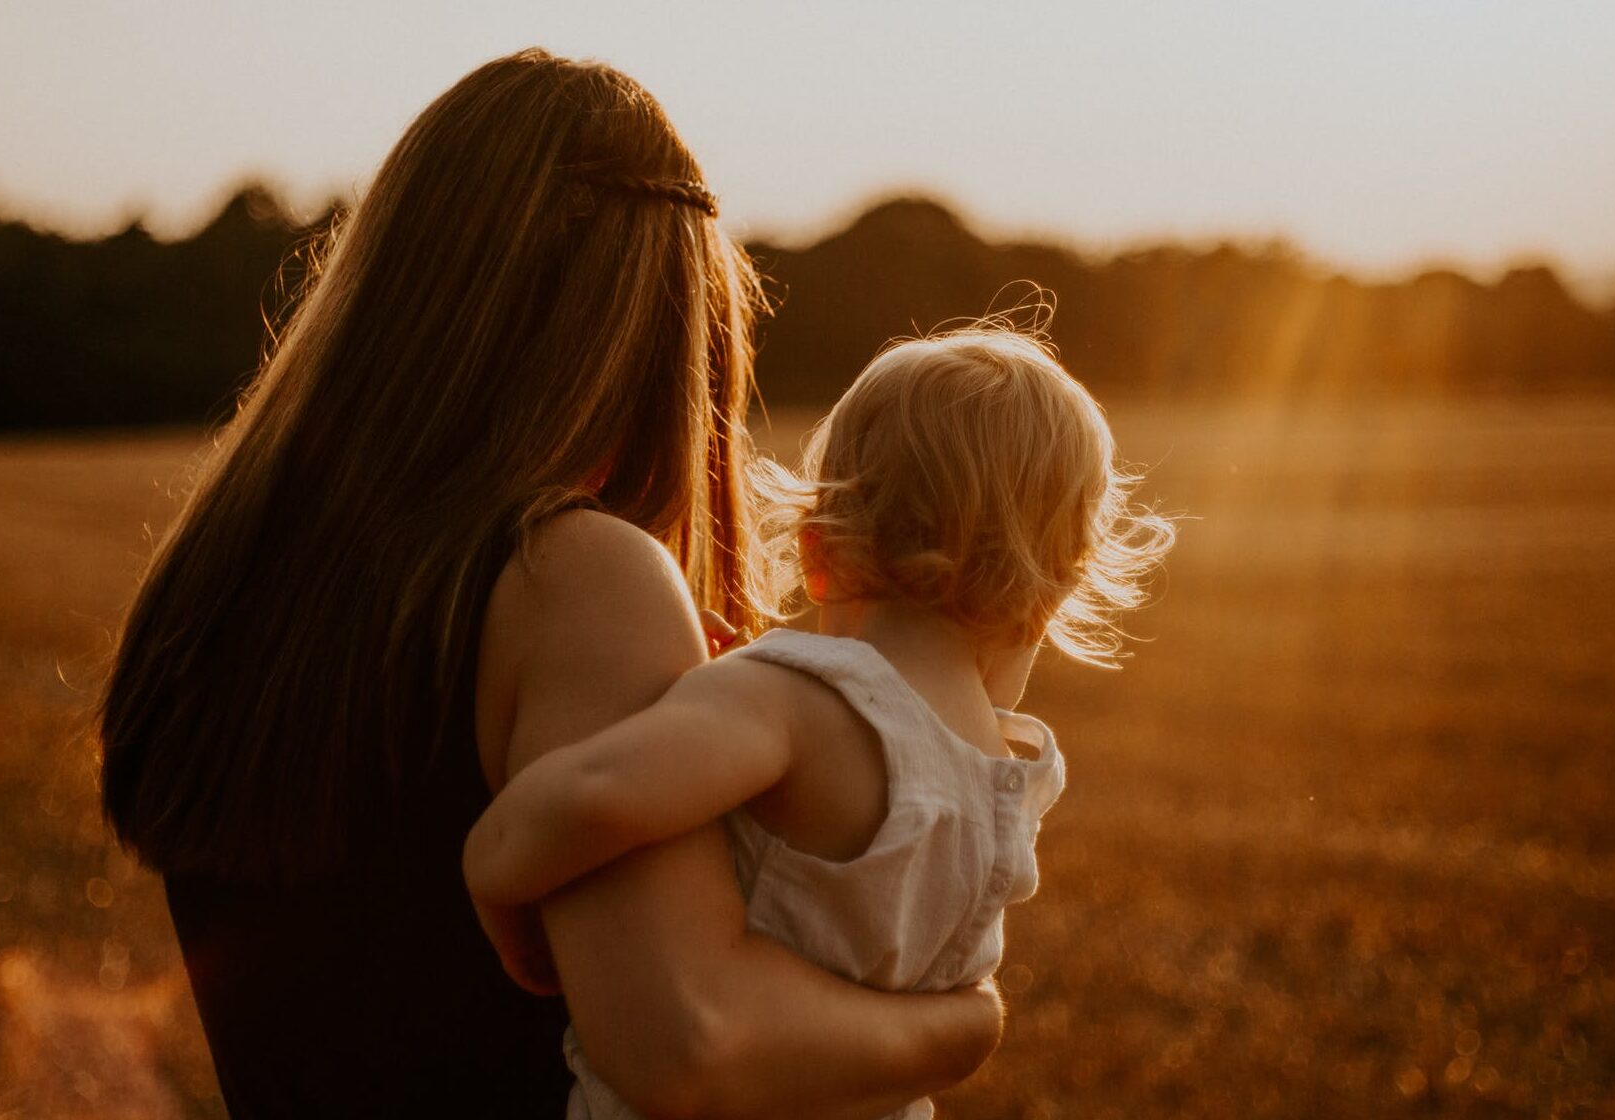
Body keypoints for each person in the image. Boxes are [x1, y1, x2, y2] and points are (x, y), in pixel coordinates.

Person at [98, 49, 1004, 1119]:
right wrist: (957, 1026)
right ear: (666, 333)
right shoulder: (573, 578)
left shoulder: (226, 576)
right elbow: (690, 1047)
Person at [464, 327, 1176, 1119]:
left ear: (816, 550)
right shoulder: (1010, 783)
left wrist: (494, 868)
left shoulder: (795, 700)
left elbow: (600, 791)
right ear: (1051, 594)